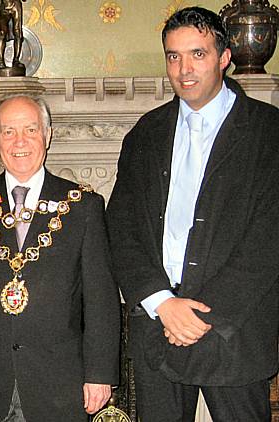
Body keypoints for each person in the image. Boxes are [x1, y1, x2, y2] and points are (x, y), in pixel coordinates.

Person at [106, 7, 279, 421]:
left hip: (234, 334)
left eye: (197, 54)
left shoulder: (269, 133)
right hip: (157, 329)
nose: (184, 69)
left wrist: (199, 317)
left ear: (224, 57)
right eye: (173, 56)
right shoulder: (145, 134)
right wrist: (163, 303)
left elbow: (268, 240)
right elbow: (121, 227)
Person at [0, 94, 120, 421]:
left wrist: (100, 373)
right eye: (8, 131)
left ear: (47, 135)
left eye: (31, 130)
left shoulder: (82, 206)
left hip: (61, 385)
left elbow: (101, 298)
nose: (19, 141)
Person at [0, 0, 26, 69]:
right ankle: (0, 60)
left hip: (15, 5)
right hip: (3, 6)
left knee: (17, 32)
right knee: (1, 33)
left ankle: (16, 60)